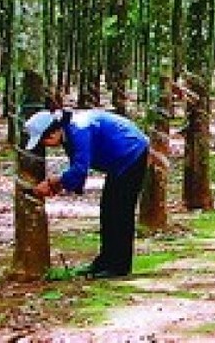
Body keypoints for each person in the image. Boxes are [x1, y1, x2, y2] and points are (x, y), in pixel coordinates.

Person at [25, 108, 150, 278]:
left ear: (53, 133)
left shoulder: (78, 130)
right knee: (108, 211)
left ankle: (119, 267)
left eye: (43, 141)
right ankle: (104, 262)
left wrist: (54, 183)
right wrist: (61, 184)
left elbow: (80, 169)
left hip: (131, 153)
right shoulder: (69, 131)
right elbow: (77, 167)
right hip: (118, 161)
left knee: (120, 212)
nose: (44, 145)